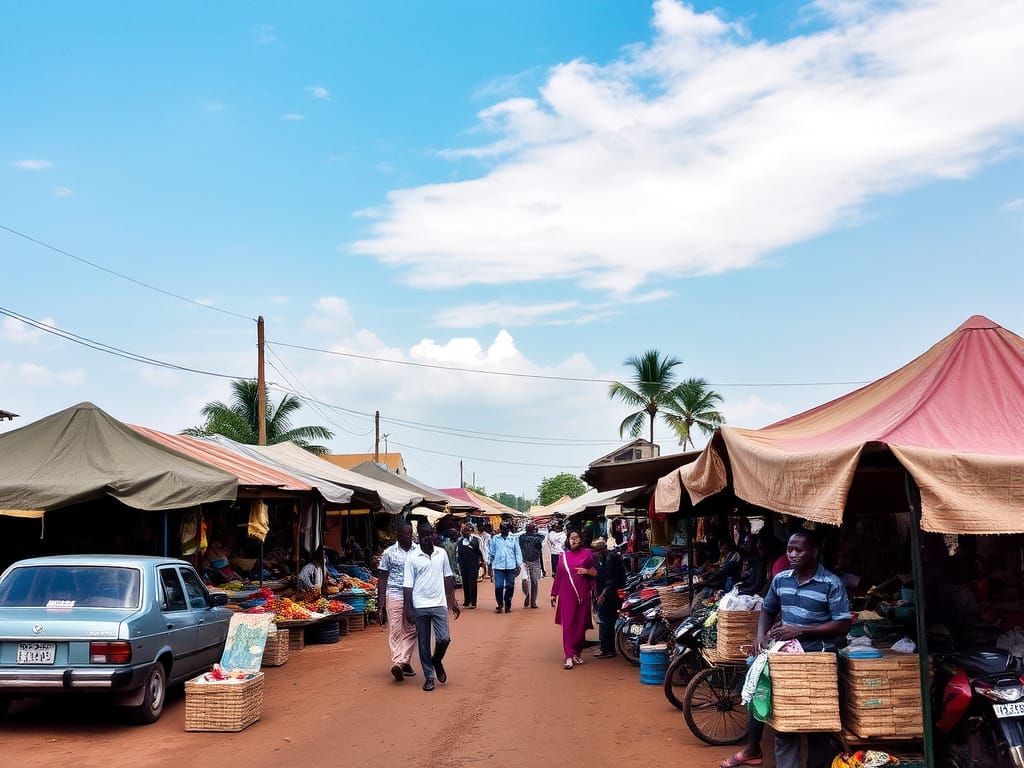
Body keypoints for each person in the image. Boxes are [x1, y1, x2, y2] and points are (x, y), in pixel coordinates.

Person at [750, 530, 852, 768]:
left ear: (815, 552)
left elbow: (843, 624)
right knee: (787, 723)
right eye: (790, 549)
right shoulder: (780, 579)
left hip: (820, 660)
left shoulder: (831, 583)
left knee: (817, 725)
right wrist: (760, 636)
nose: (793, 554)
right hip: (787, 661)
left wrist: (802, 630)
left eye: (800, 550)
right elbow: (767, 610)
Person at [403, 522, 460, 692]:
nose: (427, 538)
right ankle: (429, 676)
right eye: (423, 535)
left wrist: (453, 600)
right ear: (418, 536)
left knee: (444, 638)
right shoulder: (412, 557)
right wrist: (409, 608)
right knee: (423, 643)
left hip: (439, 603)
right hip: (420, 604)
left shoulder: (441, 553)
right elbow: (408, 585)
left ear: (434, 534)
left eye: (429, 534)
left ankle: (436, 660)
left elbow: (448, 577)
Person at [377, 523, 418, 682]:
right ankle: (399, 662)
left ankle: (403, 661)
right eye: (404, 533)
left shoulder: (418, 552)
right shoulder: (389, 553)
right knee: (395, 629)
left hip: (414, 595)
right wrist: (380, 603)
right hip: (394, 593)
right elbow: (382, 576)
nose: (407, 536)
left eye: (409, 533)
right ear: (397, 535)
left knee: (412, 629)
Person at [550, 530, 596, 669]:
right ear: (568, 540)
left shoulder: (588, 554)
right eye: (571, 538)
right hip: (566, 595)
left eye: (576, 538)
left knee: (580, 626)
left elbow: (596, 572)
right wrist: (553, 594)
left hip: (582, 595)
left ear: (581, 539)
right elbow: (558, 576)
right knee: (568, 625)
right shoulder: (563, 556)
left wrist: (587, 572)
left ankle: (576, 652)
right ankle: (568, 656)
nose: (574, 540)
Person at [591, 537, 626, 658]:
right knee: (605, 620)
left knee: (607, 621)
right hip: (606, 592)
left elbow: (612, 580)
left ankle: (607, 649)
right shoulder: (603, 559)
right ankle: (605, 647)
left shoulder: (611, 558)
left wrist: (603, 594)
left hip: (611, 594)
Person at [489, 521, 523, 613]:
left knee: (510, 586)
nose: (505, 531)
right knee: (499, 586)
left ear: (509, 529)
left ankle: (508, 603)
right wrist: (489, 565)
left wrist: (518, 565)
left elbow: (517, 552)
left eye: (506, 529)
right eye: (503, 529)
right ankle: (500, 605)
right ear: (500, 529)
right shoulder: (495, 538)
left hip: (511, 566)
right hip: (498, 566)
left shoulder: (513, 538)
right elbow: (491, 552)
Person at [518, 522, 545, 608]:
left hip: (534, 560)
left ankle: (533, 601)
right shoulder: (535, 537)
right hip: (525, 560)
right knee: (525, 580)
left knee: (533, 581)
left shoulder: (526, 537)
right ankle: (528, 595)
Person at [456, 524, 483, 608]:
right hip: (463, 565)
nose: (465, 533)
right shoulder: (460, 541)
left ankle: (473, 602)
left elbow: (481, 551)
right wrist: (458, 564)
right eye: (464, 531)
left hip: (473, 564)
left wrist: (482, 561)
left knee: (472, 582)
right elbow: (458, 553)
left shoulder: (476, 540)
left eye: (467, 531)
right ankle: (467, 601)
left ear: (471, 531)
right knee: (465, 582)